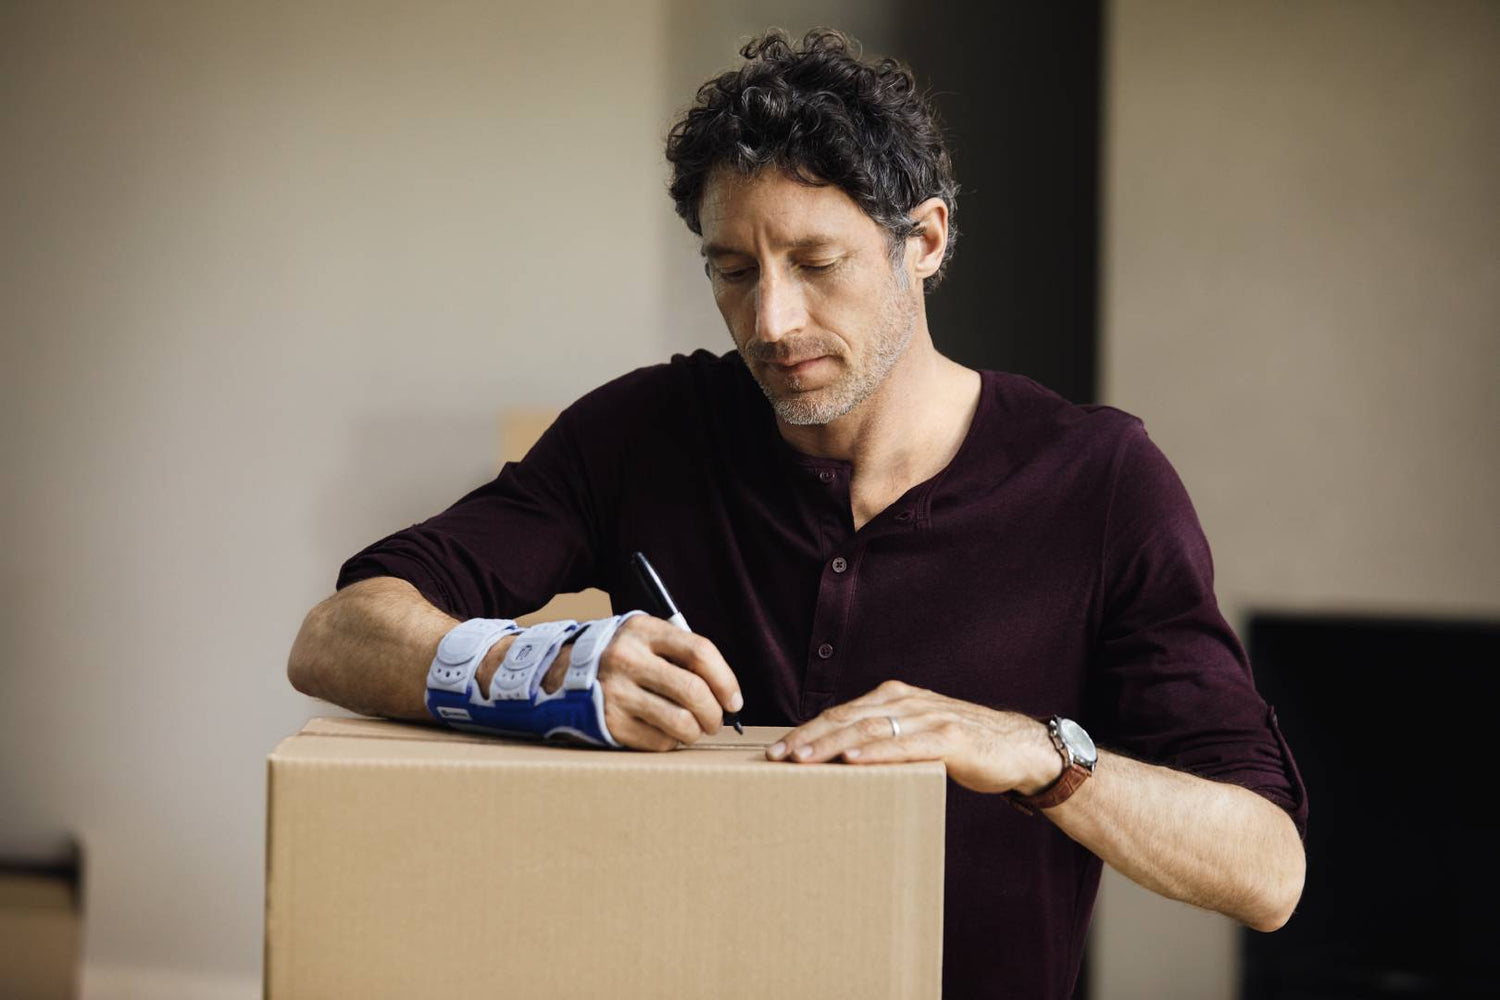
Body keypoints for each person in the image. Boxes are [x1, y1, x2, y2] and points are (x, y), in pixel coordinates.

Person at [287, 28, 1307, 998]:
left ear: (928, 241)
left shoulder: (1101, 479)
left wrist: (1036, 752)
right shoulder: (644, 430)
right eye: (733, 271)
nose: (770, 323)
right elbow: (336, 635)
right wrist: (542, 670)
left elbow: (1267, 869)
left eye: (817, 264)